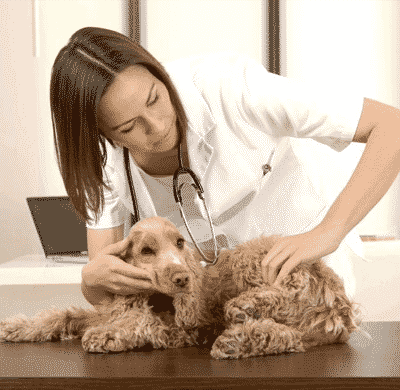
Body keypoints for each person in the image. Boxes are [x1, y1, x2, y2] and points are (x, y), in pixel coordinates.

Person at [51, 27, 400, 308]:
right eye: (128, 128)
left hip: (299, 284)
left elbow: (390, 126)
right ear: (100, 134)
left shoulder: (232, 87)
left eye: (155, 98)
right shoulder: (102, 163)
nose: (157, 126)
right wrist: (90, 281)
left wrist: (328, 231)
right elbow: (108, 288)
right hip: (206, 309)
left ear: (158, 71)